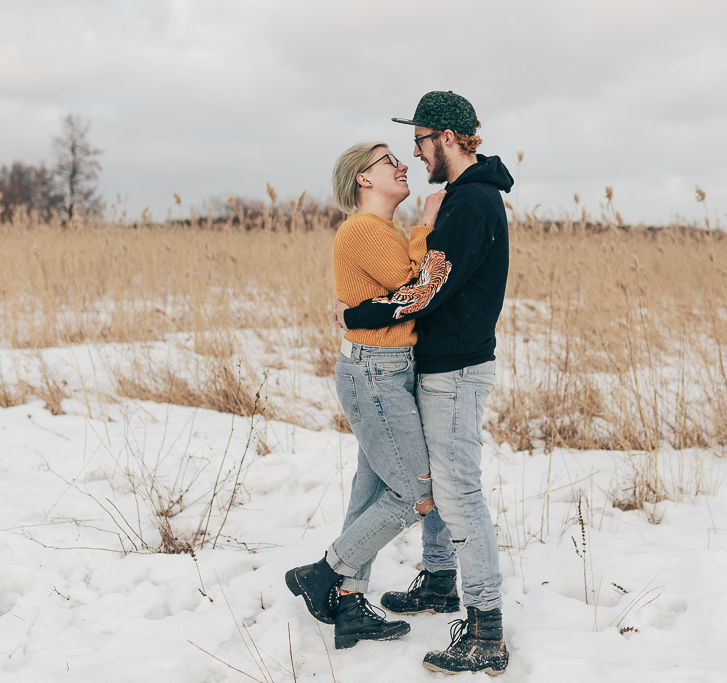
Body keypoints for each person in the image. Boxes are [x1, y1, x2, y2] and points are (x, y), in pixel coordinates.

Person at [333, 91, 514, 676]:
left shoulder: (469, 205)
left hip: (455, 370)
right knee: (435, 478)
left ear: (448, 138)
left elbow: (424, 289)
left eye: (419, 141)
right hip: (435, 363)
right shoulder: (461, 200)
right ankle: (439, 581)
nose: (415, 154)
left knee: (456, 491)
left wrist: (356, 315)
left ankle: (486, 630)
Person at [285, 141, 443, 650]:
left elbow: (396, 300)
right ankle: (323, 572)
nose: (403, 165)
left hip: (384, 371)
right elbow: (418, 288)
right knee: (415, 494)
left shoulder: (378, 231)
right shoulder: (363, 230)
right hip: (376, 375)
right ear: (363, 179)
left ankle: (351, 606)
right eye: (388, 161)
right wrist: (426, 227)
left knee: (372, 491)